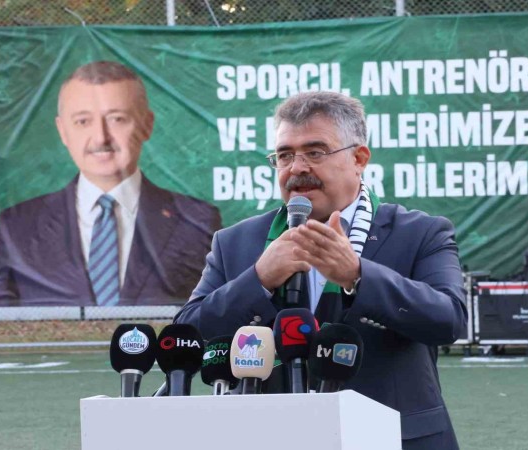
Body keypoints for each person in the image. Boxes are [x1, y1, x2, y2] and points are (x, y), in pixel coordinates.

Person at [175, 91, 467, 449]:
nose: (297, 168)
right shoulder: (236, 242)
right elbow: (188, 336)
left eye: (315, 152)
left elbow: (449, 320)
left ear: (359, 158)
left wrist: (358, 276)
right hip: (270, 438)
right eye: (285, 155)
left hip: (394, 438)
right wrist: (258, 280)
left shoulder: (420, 232)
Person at [0, 61, 221, 307]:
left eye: (117, 119)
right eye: (83, 121)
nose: (101, 137)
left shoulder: (196, 221)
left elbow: (218, 307)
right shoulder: (17, 227)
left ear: (147, 124)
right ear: (63, 131)